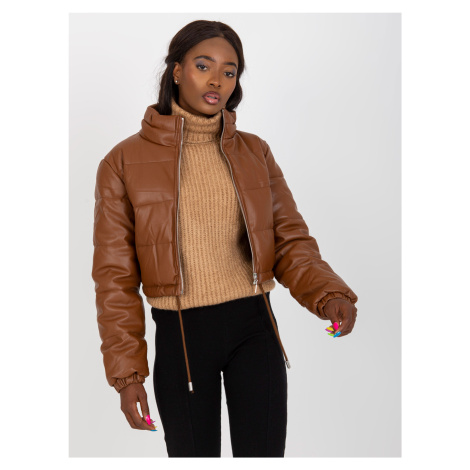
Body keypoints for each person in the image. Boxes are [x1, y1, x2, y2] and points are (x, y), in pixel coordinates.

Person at [91, 19, 358, 458]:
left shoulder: (255, 152)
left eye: (229, 71)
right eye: (203, 65)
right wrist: (127, 376)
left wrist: (328, 293)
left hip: (255, 328)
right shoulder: (122, 162)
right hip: (181, 337)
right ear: (177, 71)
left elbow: (289, 239)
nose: (217, 80)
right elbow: (113, 279)